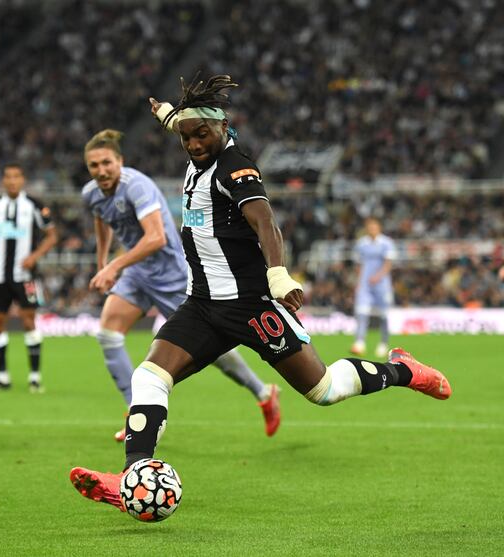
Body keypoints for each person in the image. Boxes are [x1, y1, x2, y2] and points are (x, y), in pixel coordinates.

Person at [69, 75, 452, 511]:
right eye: (187, 136)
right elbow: (183, 124)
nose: (193, 143)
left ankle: (404, 370)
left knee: (323, 390)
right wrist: (165, 114)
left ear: (223, 130)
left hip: (251, 306)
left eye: (202, 135)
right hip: (202, 304)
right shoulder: (195, 141)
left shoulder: (235, 167)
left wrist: (279, 275)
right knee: (149, 376)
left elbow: (266, 223)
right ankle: (129, 478)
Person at [82, 129, 281, 442]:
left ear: (120, 161)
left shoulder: (138, 188)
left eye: (107, 162)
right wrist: (102, 261)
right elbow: (101, 220)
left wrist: (113, 265)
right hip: (137, 274)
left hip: (171, 274)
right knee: (108, 335)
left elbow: (156, 237)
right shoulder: (91, 193)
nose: (101, 170)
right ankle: (135, 412)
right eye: (94, 166)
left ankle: (263, 391)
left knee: (210, 348)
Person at [0, 163, 58, 392]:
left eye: (16, 177)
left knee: (29, 321)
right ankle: (2, 377)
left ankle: (34, 377)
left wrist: (35, 256)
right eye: (8, 177)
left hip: (26, 276)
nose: (12, 181)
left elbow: (52, 236)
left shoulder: (34, 205)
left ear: (23, 180)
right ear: (3, 181)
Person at [350, 217, 395, 358]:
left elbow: (388, 263)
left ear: (379, 228)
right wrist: (360, 280)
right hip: (365, 284)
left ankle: (383, 343)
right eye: (369, 227)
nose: (372, 230)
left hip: (382, 284)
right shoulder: (361, 244)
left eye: (374, 227)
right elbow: (358, 264)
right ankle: (359, 342)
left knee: (384, 314)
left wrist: (378, 276)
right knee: (361, 313)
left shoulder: (386, 243)